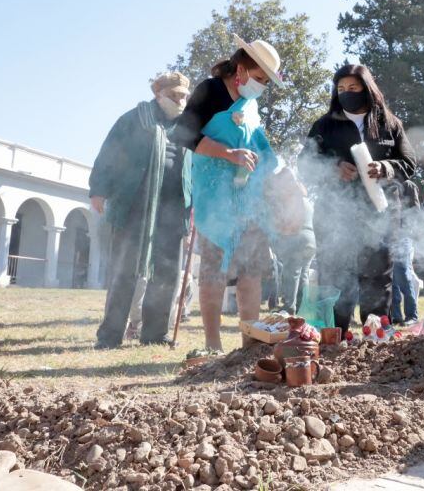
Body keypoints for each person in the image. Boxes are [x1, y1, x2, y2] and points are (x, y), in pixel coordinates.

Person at [173, 35, 282, 352]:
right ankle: (213, 344)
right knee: (214, 269)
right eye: (260, 78)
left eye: (265, 81)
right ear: (242, 69)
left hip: (249, 198)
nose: (261, 85)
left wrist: (267, 163)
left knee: (251, 269)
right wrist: (228, 153)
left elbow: (258, 141)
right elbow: (185, 134)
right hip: (214, 195)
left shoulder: (252, 105)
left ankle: (251, 342)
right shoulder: (211, 90)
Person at [298, 64, 417, 332]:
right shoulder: (325, 125)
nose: (346, 93)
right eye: (340, 89)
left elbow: (409, 162)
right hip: (334, 214)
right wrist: (333, 168)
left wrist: (386, 168)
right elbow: (305, 163)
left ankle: (375, 338)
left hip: (380, 214)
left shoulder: (390, 123)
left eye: (353, 88)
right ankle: (334, 336)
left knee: (378, 277)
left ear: (367, 88)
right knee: (335, 275)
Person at [90, 72, 192, 349]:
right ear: (159, 94)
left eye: (184, 96)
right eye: (175, 95)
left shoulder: (188, 126)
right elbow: (109, 152)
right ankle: (110, 336)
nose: (180, 101)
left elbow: (195, 166)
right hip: (134, 205)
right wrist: (98, 189)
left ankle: (155, 334)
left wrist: (194, 203)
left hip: (173, 208)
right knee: (123, 270)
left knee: (168, 273)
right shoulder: (134, 120)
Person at [264, 166, 316, 315]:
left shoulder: (291, 196)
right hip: (311, 240)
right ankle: (302, 307)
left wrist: (279, 230)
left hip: (298, 239)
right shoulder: (304, 196)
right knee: (303, 274)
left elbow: (290, 225)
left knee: (291, 273)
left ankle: (289, 306)